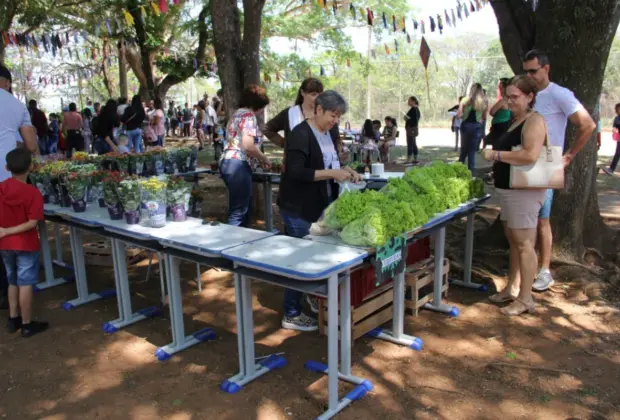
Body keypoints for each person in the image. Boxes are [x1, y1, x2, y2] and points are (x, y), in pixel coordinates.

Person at [278, 90, 362, 331]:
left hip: (321, 205)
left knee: (315, 257)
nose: (335, 120)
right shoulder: (301, 133)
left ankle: (313, 297)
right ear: (318, 110)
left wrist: (346, 171)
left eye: (338, 116)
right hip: (298, 207)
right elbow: (296, 172)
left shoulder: (329, 132)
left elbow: (330, 163)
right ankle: (291, 313)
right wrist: (333, 174)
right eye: (332, 115)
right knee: (298, 260)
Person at [523, 50, 596, 291]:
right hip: (522, 160)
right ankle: (525, 267)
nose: (530, 76)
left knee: (542, 220)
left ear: (546, 69)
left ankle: (544, 271)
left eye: (534, 71)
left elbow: (587, 124)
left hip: (546, 162)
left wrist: (568, 156)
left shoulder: (559, 94)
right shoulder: (527, 95)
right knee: (523, 219)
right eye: (526, 72)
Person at [481, 75, 547, 316]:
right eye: (508, 97)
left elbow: (530, 155)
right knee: (514, 240)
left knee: (525, 244)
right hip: (509, 190)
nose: (510, 102)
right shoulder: (515, 120)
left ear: (530, 97)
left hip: (524, 192)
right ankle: (512, 288)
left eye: (515, 97)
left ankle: (526, 298)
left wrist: (496, 155)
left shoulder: (534, 121)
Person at [0, 65, 37, 311]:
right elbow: (31, 145)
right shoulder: (16, 105)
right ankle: (9, 294)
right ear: (6, 82)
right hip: (5, 177)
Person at [0, 148, 48, 336]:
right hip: (25, 244)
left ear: (6, 167)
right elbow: (32, 222)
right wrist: (9, 231)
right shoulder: (32, 193)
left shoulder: (1, 188)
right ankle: (26, 324)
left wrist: (4, 231)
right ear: (31, 167)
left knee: (12, 281)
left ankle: (14, 318)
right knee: (25, 283)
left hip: (4, 244)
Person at [220, 85, 271, 227]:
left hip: (228, 162)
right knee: (239, 212)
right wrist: (264, 158)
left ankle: (242, 240)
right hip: (238, 164)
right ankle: (231, 245)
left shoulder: (236, 114)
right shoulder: (248, 116)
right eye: (262, 107)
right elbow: (248, 145)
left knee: (241, 207)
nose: (262, 111)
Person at [264, 78, 326, 149]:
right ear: (302, 92)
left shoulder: (325, 113)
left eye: (320, 94)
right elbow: (266, 129)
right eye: (313, 94)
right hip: (295, 158)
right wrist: (285, 144)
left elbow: (335, 138)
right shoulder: (290, 113)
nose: (318, 98)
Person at [457, 83, 488, 172]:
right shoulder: (484, 101)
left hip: (466, 126)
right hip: (477, 127)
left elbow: (459, 115)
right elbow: (484, 117)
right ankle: (471, 173)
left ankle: (458, 170)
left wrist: (459, 115)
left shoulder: (465, 100)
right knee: (472, 151)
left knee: (464, 150)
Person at [484, 78, 513, 149]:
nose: (500, 90)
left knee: (494, 144)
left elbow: (492, 112)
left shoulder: (502, 101)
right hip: (507, 125)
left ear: (504, 88)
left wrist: (497, 115)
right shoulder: (512, 100)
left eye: (500, 88)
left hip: (499, 127)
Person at [603, 103, 620, 175]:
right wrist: (614, 130)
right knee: (617, 153)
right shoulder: (617, 118)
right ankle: (611, 169)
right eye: (617, 109)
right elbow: (614, 127)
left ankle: (611, 169)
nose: (618, 110)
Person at [404, 96, 421, 163]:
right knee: (413, 143)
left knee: (410, 143)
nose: (408, 102)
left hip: (411, 128)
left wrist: (414, 128)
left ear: (413, 101)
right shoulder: (413, 109)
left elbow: (415, 120)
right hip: (411, 128)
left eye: (409, 100)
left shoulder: (414, 109)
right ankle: (415, 158)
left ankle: (409, 159)